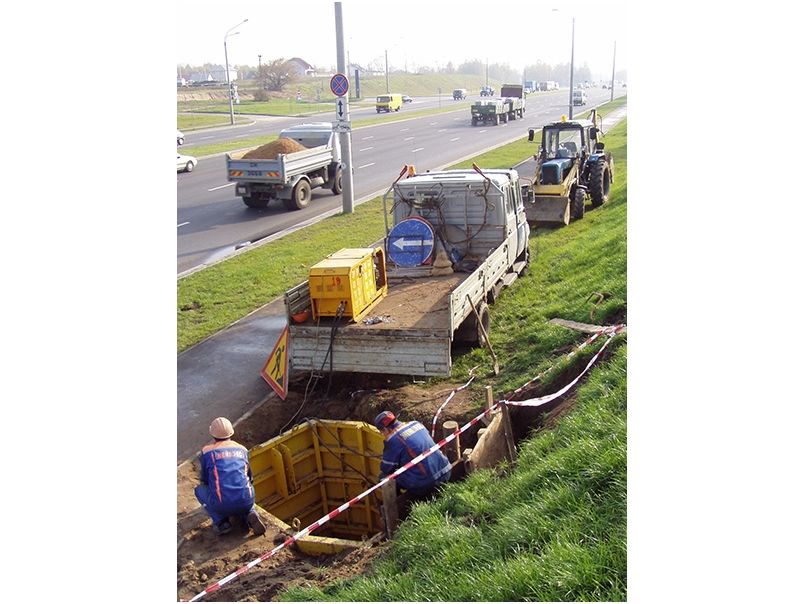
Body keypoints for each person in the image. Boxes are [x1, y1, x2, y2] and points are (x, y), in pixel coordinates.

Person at [195, 417, 266, 537]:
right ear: (231, 433)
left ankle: (222, 523)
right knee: (245, 486)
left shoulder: (207, 452)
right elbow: (250, 477)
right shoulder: (242, 450)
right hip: (247, 500)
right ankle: (250, 512)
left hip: (222, 505)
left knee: (199, 490)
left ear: (212, 435)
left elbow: (204, 480)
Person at [374, 411, 451, 498]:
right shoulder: (416, 424)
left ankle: (401, 503)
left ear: (385, 429)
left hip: (428, 484)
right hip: (446, 470)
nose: (383, 435)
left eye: (382, 432)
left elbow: (386, 468)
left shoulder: (392, 440)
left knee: (384, 478)